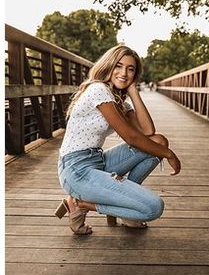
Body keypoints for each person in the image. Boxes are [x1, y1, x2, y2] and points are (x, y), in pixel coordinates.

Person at [54, 44, 182, 236]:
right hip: (76, 170)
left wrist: (132, 90)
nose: (124, 73)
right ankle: (81, 204)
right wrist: (169, 155)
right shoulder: (98, 89)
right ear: (109, 66)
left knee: (159, 141)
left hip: (97, 161)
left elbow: (148, 132)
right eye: (119, 66)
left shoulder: (118, 99)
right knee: (153, 208)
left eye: (130, 69)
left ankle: (120, 206)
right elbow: (131, 137)